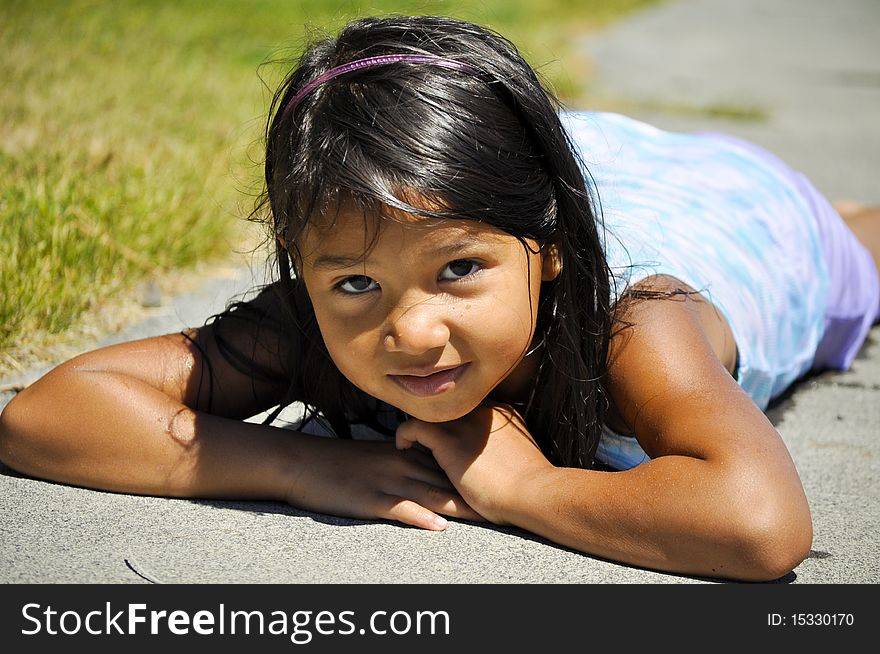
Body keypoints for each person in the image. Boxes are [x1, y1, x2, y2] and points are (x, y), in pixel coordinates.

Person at [1, 15, 878, 582]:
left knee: (862, 242)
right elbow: (44, 416)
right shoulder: (322, 314)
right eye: (354, 282)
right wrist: (306, 468)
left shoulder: (638, 326)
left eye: (460, 272)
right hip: (559, 173)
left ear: (552, 250)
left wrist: (529, 489)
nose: (413, 330)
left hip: (749, 219)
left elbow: (761, 526)